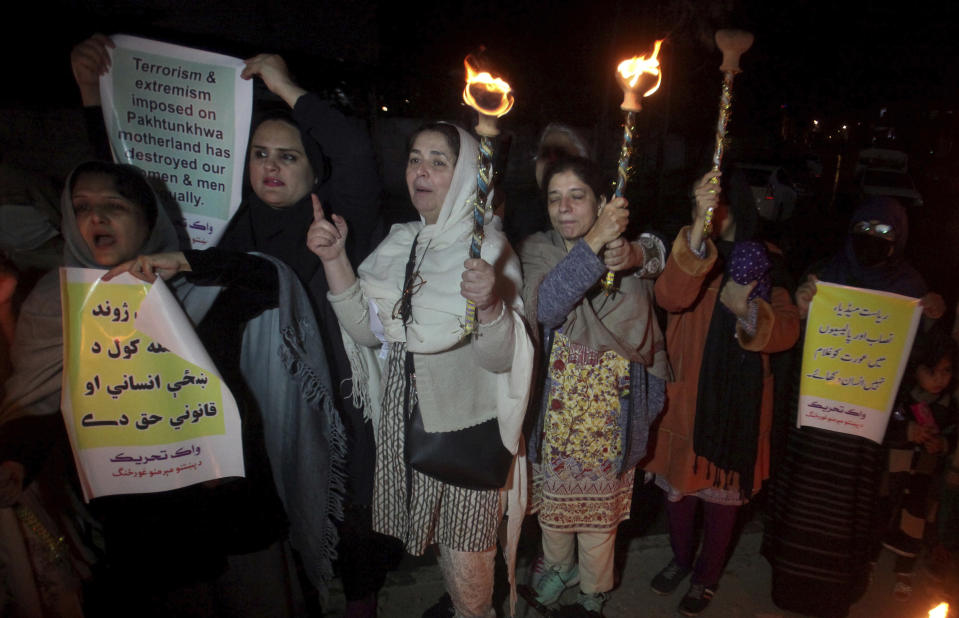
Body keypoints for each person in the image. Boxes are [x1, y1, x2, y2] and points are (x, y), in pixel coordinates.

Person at [71, 36, 394, 614]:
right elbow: (133, 190)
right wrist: (94, 97)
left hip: (330, 404)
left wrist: (284, 86)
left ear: (311, 170)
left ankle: (361, 601)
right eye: (260, 154)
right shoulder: (223, 226)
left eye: (288, 156)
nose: (271, 167)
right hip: (251, 406)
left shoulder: (334, 217)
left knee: (345, 510)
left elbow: (355, 155)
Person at [0, 161, 344, 617]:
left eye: (113, 206)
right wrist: (16, 458)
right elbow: (41, 403)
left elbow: (271, 282)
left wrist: (188, 264)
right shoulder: (56, 303)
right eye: (81, 207)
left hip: (232, 506)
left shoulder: (201, 284)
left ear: (148, 218)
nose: (95, 219)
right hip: (144, 520)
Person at [307, 122, 533, 618]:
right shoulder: (402, 241)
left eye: (438, 161)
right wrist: (335, 258)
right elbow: (368, 332)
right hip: (406, 418)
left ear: (468, 173)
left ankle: (474, 612)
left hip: (466, 428)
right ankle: (459, 604)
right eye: (415, 158)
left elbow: (501, 358)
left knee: (467, 548)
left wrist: (491, 306)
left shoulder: (489, 250)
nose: (421, 172)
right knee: (440, 546)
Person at [763, 196, 943, 617]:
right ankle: (789, 585)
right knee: (803, 502)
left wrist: (931, 317)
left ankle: (834, 595)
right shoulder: (826, 274)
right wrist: (804, 308)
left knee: (846, 511)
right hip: (814, 422)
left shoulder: (910, 287)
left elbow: (917, 357)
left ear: (900, 239)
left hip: (863, 429)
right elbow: (793, 339)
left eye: (885, 233)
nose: (874, 240)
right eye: (865, 230)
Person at [644, 167, 800, 616]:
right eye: (704, 201)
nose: (715, 209)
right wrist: (696, 228)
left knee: (721, 500)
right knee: (678, 494)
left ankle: (707, 575)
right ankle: (679, 560)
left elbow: (787, 329)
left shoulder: (766, 259)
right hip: (685, 399)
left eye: (720, 200)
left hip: (736, 407)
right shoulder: (692, 250)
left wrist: (749, 313)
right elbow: (670, 296)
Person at [518, 156, 669, 616]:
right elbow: (546, 307)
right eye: (554, 198)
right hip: (560, 409)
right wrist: (593, 241)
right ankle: (558, 570)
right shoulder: (539, 249)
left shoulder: (628, 249)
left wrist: (639, 254)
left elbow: (662, 254)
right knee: (555, 508)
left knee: (599, 518)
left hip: (612, 411)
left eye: (577, 196)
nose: (564, 208)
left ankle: (592, 591)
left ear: (603, 202)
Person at [877, 326, 957, 600]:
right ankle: (869, 559)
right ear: (917, 367)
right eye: (932, 371)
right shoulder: (901, 398)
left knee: (915, 522)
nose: (939, 380)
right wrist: (909, 432)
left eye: (946, 372)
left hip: (924, 478)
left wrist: (942, 445)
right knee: (881, 514)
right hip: (893, 472)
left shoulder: (947, 405)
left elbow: (952, 437)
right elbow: (886, 427)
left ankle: (904, 571)